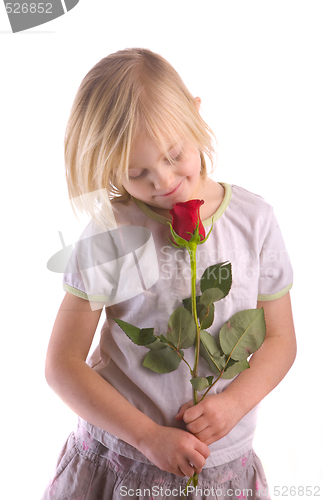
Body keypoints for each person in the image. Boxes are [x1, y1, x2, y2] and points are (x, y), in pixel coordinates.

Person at [43, 48, 296, 499]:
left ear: (196, 114)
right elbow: (62, 366)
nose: (161, 181)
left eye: (174, 154)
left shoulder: (255, 220)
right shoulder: (112, 231)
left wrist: (234, 404)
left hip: (223, 468)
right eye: (137, 173)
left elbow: (280, 340)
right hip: (124, 463)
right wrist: (146, 436)